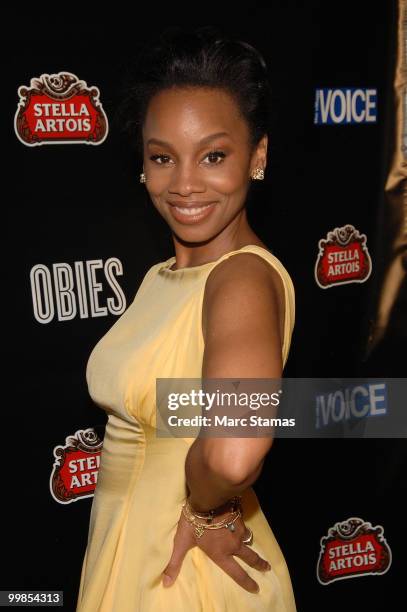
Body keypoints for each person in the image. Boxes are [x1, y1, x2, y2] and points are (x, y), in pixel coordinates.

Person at [76, 26, 297, 612]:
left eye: (214, 155)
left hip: (182, 573)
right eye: (163, 157)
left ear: (259, 155)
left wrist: (205, 507)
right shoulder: (161, 277)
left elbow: (232, 451)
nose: (185, 184)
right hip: (135, 551)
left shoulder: (242, 277)